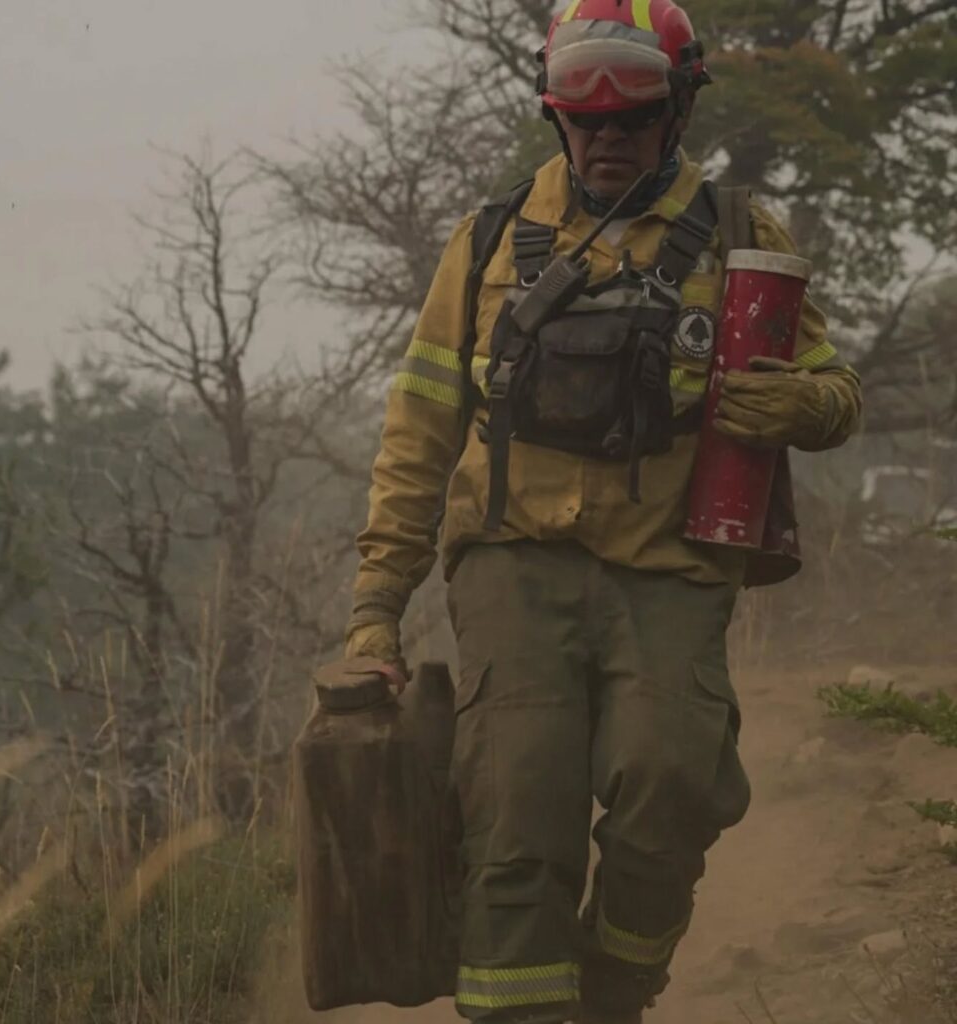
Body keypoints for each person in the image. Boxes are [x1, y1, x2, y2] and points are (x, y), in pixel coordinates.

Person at [343, 1, 862, 1021]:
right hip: (510, 567)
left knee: (668, 790)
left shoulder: (743, 239)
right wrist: (374, 610)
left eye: (633, 117)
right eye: (586, 121)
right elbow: (419, 435)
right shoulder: (488, 241)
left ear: (675, 115)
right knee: (516, 820)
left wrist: (806, 402)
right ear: (556, 119)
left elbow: (835, 385)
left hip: (671, 569)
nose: (609, 138)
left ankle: (617, 991)